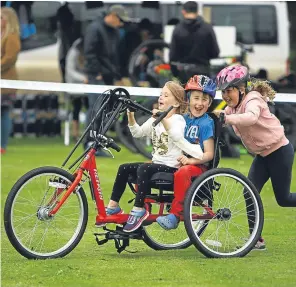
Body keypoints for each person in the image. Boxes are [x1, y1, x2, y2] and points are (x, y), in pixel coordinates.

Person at [213, 65, 296, 250]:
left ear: (242, 88)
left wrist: (226, 119)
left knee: (284, 199)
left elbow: (251, 118)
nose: (226, 96)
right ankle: (256, 239)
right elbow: (221, 118)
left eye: (229, 90)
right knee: (249, 192)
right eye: (223, 92)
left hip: (279, 152)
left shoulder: (253, 100)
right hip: (262, 156)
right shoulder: (232, 108)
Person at [102, 81, 205, 232]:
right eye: (160, 94)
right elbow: (137, 133)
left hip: (171, 168)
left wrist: (162, 118)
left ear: (176, 102)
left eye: (166, 95)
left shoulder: (178, 120)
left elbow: (176, 136)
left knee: (144, 168)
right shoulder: (154, 119)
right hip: (157, 164)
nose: (161, 97)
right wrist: (131, 115)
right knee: (124, 168)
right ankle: (113, 206)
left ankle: (139, 209)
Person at [156, 75, 216, 229]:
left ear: (209, 103)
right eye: (196, 98)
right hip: (176, 162)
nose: (199, 103)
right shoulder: (181, 119)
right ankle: (142, 209)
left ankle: (176, 215)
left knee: (183, 172)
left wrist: (191, 161)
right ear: (188, 99)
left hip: (197, 166)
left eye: (204, 100)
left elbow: (209, 154)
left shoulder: (206, 123)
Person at [83, 4, 129, 154]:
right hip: (97, 75)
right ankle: (90, 143)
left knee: (105, 111)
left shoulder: (113, 32)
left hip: (108, 75)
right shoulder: (95, 28)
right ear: (113, 15)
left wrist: (117, 75)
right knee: (95, 110)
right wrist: (96, 73)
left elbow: (114, 56)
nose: (121, 24)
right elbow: (89, 53)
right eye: (120, 20)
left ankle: (98, 144)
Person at [169, 1, 220, 83]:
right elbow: (215, 52)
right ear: (197, 11)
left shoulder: (178, 29)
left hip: (183, 74)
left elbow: (173, 56)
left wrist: (175, 73)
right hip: (203, 73)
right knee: (202, 95)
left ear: (183, 11)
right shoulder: (207, 28)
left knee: (185, 95)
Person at [1, 7, 21, 154]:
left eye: (1, 18)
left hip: (6, 81)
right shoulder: (3, 36)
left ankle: (2, 145)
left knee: (4, 112)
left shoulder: (12, 36)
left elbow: (9, 59)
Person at [65, 37, 89, 142]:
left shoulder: (84, 52)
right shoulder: (73, 53)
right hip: (74, 86)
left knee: (89, 108)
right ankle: (75, 134)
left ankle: (88, 134)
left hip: (85, 86)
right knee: (76, 109)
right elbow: (70, 71)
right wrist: (83, 78)